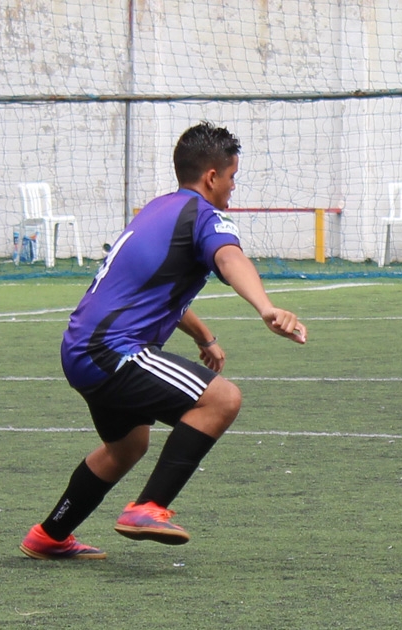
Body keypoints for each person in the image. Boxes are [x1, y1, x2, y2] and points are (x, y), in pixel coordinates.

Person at [20, 121, 308, 560]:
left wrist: (205, 336)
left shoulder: (159, 210)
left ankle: (50, 535)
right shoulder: (204, 215)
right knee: (221, 400)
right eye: (232, 177)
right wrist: (266, 307)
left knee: (127, 447)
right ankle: (147, 508)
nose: (233, 188)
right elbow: (230, 258)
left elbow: (151, 289)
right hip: (111, 350)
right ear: (212, 176)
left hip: (82, 347)